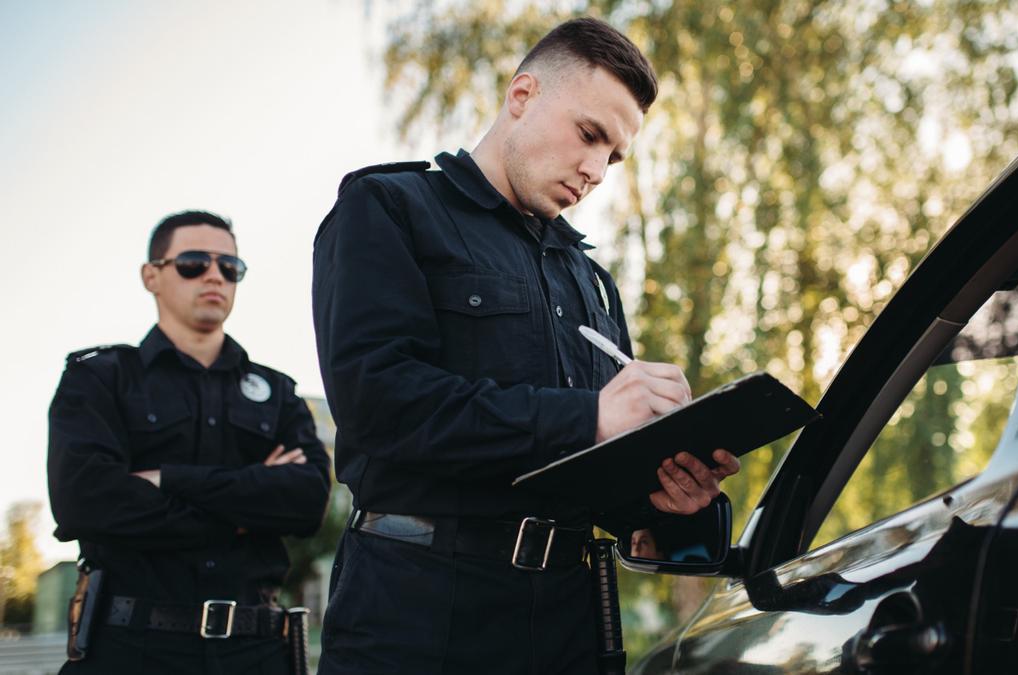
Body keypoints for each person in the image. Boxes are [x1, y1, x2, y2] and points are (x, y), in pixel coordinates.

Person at [312, 16, 740, 674]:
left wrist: (660, 494)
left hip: (570, 621)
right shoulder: (390, 208)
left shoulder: (591, 280)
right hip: (418, 617)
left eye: (615, 156)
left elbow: (590, 479)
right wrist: (591, 415)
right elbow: (381, 403)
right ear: (522, 96)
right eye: (589, 134)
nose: (596, 169)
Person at [48, 210, 331, 674]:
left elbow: (306, 501)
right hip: (131, 651)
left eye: (230, 267)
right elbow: (85, 501)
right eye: (194, 263)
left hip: (257, 654)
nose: (215, 276)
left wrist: (168, 479)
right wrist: (250, 503)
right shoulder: (100, 379)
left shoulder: (278, 392)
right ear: (152, 275)